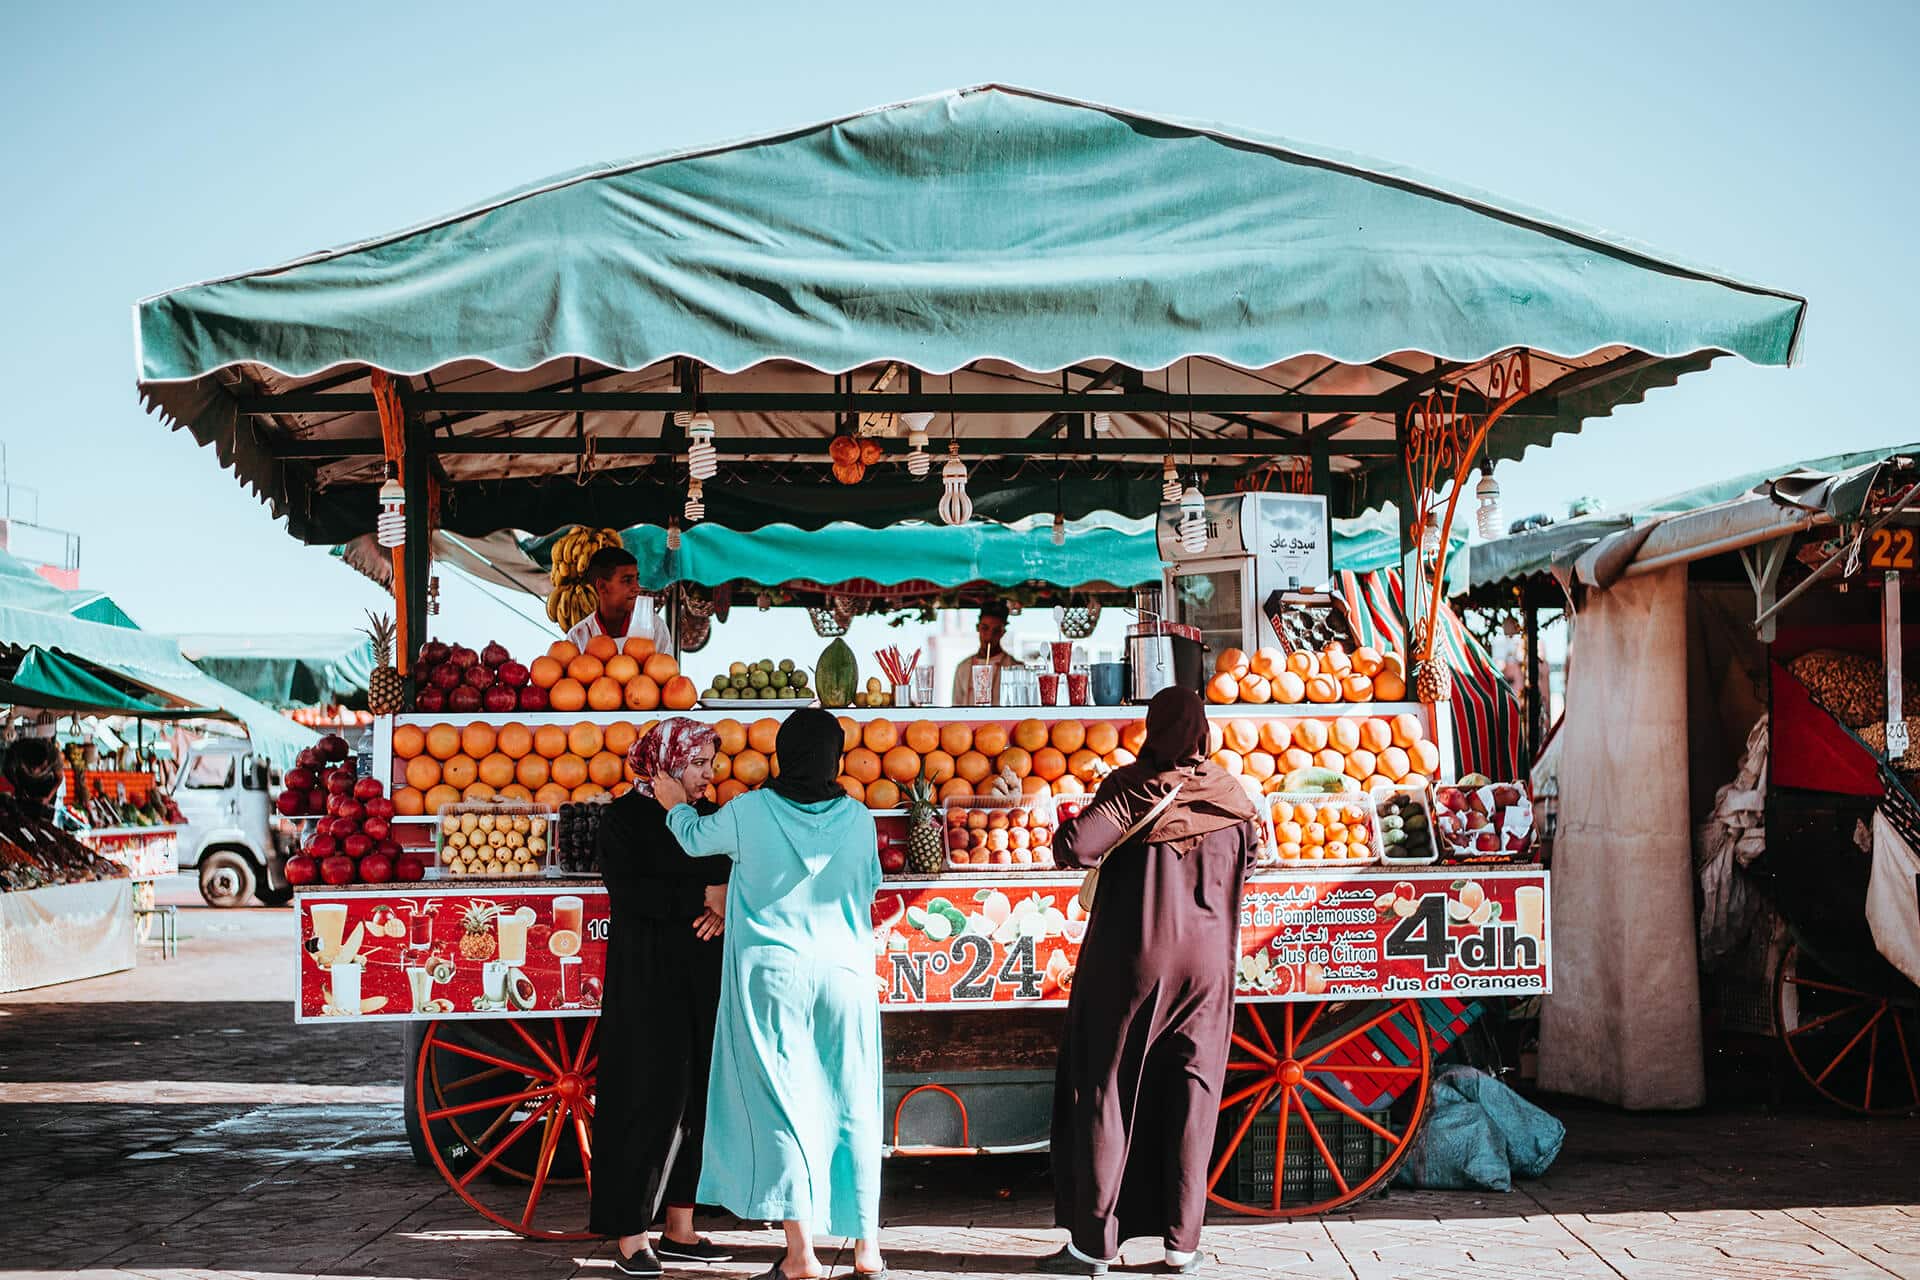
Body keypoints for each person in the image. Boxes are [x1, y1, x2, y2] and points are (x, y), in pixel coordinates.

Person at [651, 708, 886, 1280]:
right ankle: (867, 1250)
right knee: (855, 1104)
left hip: (772, 981)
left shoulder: (750, 811)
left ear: (782, 755)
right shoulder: (857, 818)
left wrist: (672, 804)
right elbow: (870, 883)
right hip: (846, 978)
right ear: (834, 757)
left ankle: (801, 1255)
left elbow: (693, 839)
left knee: (784, 1105)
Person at [1041, 687, 1262, 1276]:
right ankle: (1181, 1244)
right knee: (1194, 1092)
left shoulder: (1135, 785)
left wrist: (1065, 819)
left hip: (1135, 963)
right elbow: (1252, 860)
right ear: (1204, 733)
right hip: (1211, 967)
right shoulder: (1234, 795)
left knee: (1108, 1088)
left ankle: (1093, 1245)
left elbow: (1076, 849)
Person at [589, 718, 736, 1277]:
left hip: (702, 974)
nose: (708, 774)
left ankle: (680, 1226)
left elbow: (728, 870)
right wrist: (706, 895)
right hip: (647, 979)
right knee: (645, 1098)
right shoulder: (623, 818)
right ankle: (630, 1234)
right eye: (697, 763)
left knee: (699, 1097)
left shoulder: (706, 818)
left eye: (709, 763)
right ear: (666, 763)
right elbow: (633, 892)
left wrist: (724, 898)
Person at [567, 546, 673, 654]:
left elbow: (668, 668)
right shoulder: (578, 637)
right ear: (602, 586)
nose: (637, 588)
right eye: (627, 580)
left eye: (637, 579)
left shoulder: (654, 627)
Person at [950, 600, 1020, 706]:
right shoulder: (963, 667)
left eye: (996, 630)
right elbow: (956, 705)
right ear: (977, 628)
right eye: (985, 628)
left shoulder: (1015, 667)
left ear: (1003, 632)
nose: (989, 636)